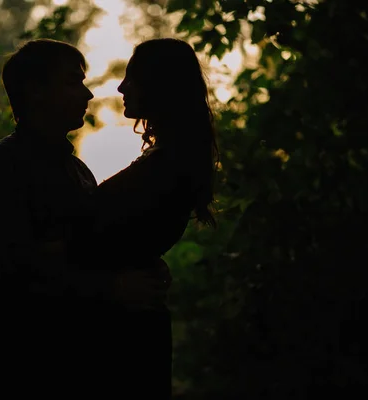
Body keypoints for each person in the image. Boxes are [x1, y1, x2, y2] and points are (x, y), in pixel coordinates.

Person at [0, 39, 171, 400]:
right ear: (35, 92)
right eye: (73, 82)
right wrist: (112, 289)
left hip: (71, 365)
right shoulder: (0, 169)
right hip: (22, 368)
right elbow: (5, 271)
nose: (87, 94)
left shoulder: (75, 169)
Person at [69, 37, 218, 399]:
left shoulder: (168, 166)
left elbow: (102, 239)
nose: (121, 86)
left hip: (123, 331)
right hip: (127, 324)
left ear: (160, 86)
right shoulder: (171, 159)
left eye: (133, 78)